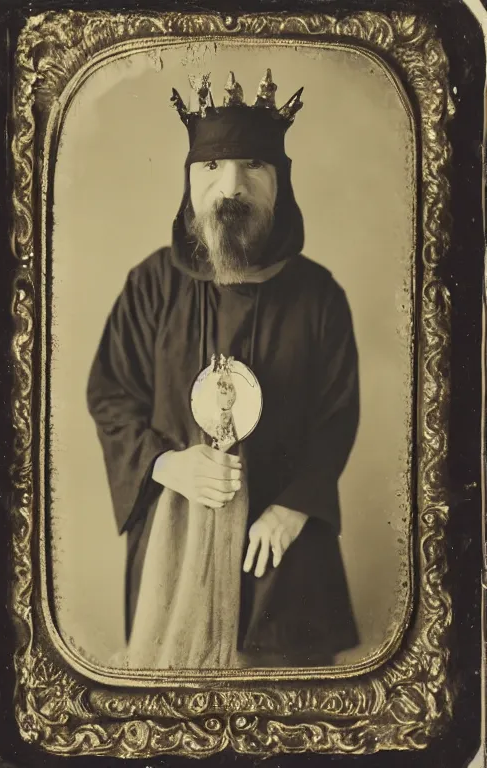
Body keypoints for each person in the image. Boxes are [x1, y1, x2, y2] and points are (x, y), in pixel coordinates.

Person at [87, 69, 360, 669]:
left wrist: (293, 510)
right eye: (212, 167)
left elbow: (337, 418)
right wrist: (166, 464)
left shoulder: (319, 296)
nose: (230, 187)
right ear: (188, 181)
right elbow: (111, 397)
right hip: (172, 548)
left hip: (282, 555)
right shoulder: (151, 285)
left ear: (280, 183)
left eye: (252, 167)